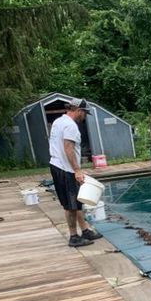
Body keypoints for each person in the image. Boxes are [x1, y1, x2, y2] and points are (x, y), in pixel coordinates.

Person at [48, 97, 103, 247]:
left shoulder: (59, 121)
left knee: (76, 201)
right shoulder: (70, 126)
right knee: (71, 205)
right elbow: (68, 147)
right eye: (84, 113)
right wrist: (77, 170)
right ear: (79, 111)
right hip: (65, 169)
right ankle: (74, 236)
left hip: (58, 166)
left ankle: (85, 230)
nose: (84, 117)